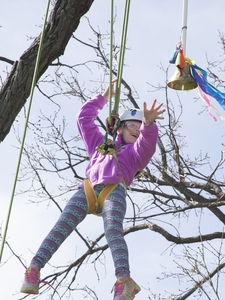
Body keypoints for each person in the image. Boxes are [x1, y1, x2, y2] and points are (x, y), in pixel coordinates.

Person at [20, 80, 165, 300]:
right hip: (87, 189)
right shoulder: (100, 144)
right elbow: (83, 119)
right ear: (120, 128)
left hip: (113, 190)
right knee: (62, 224)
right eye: (132, 125)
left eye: (139, 125)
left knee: (112, 229)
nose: (137, 129)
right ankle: (34, 270)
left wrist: (148, 123)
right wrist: (103, 98)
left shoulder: (135, 155)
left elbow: (147, 142)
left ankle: (124, 281)